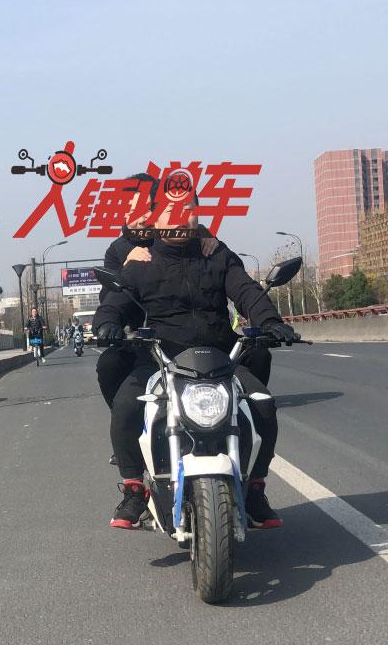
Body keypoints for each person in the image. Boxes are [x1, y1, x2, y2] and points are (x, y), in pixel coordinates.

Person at [94, 201, 298, 530]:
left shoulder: (216, 254)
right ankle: (133, 489)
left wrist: (271, 322)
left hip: (219, 356)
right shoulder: (141, 261)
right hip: (160, 359)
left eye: (187, 210)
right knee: (126, 406)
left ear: (197, 215)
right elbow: (116, 301)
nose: (180, 218)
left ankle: (255, 489)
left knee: (262, 404)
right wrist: (106, 324)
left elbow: (246, 291)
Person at [95, 174, 224, 410]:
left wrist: (206, 233)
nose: (143, 218)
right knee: (110, 365)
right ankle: (124, 418)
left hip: (178, 332)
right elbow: (109, 299)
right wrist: (126, 270)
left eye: (147, 209)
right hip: (136, 335)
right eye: (134, 211)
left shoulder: (174, 236)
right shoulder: (117, 250)